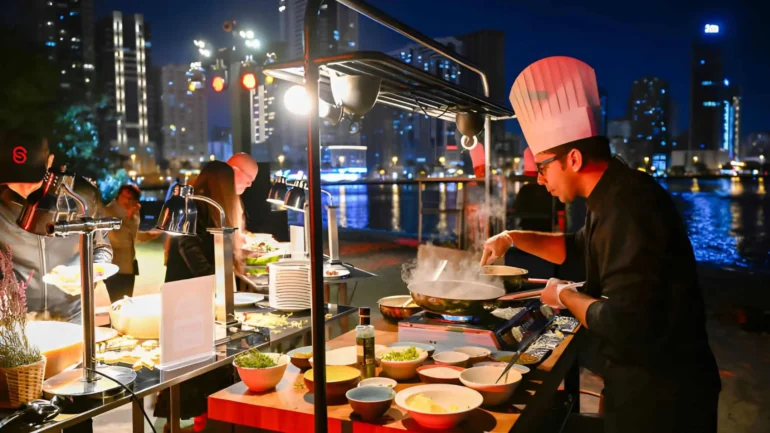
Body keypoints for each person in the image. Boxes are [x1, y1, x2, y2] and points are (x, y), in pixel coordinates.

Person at [481, 56, 720, 433]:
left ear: (573, 158)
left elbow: (627, 322)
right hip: (640, 378)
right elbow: (579, 248)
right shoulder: (610, 194)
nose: (540, 181)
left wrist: (564, 297)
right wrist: (512, 237)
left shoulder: (630, 204)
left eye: (542, 168)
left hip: (665, 392)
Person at [157, 161, 243, 432]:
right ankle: (189, 423)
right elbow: (187, 244)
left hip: (188, 296)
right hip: (188, 298)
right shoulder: (195, 206)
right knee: (192, 368)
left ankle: (196, 423)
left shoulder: (202, 205)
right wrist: (213, 282)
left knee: (197, 367)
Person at [0, 139, 113, 323]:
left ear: (49, 161)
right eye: (15, 177)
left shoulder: (82, 197)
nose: (25, 187)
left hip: (73, 316)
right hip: (14, 319)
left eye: (31, 176)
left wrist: (88, 276)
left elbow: (101, 248)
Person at [104, 184, 161, 302]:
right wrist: (128, 216)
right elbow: (118, 237)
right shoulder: (109, 211)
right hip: (113, 266)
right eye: (123, 197)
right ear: (118, 196)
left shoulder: (134, 212)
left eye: (130, 199)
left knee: (126, 303)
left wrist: (149, 235)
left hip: (129, 266)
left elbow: (132, 235)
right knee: (116, 304)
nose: (126, 201)